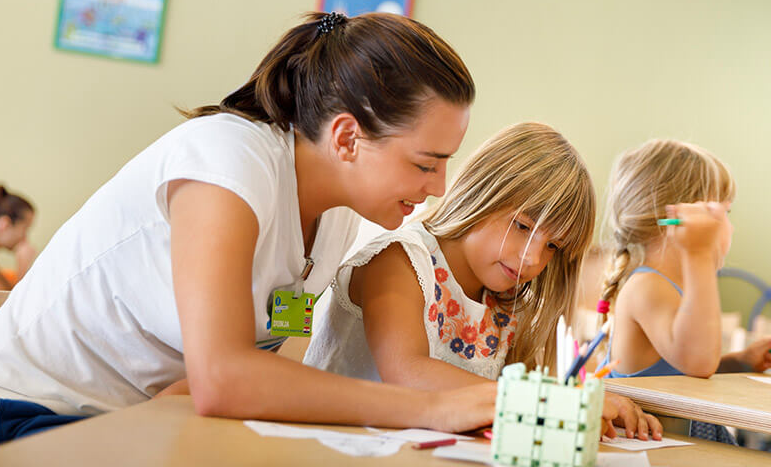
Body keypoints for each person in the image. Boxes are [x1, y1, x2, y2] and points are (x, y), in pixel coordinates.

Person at [0, 11, 496, 451]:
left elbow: (260, 363)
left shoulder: (336, 222)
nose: (438, 186)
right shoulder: (227, 160)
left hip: (124, 426)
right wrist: (430, 407)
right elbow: (224, 377)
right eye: (427, 163)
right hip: (17, 422)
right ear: (346, 138)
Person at [305, 122, 663, 440]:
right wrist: (552, 401)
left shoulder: (505, 296)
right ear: (482, 192)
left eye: (552, 246)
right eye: (522, 226)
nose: (533, 258)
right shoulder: (399, 259)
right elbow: (408, 373)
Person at [598, 139, 771, 444]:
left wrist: (738, 362)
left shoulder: (669, 289)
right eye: (725, 213)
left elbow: (685, 366)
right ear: (677, 223)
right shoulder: (646, 287)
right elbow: (698, 361)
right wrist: (700, 255)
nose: (731, 228)